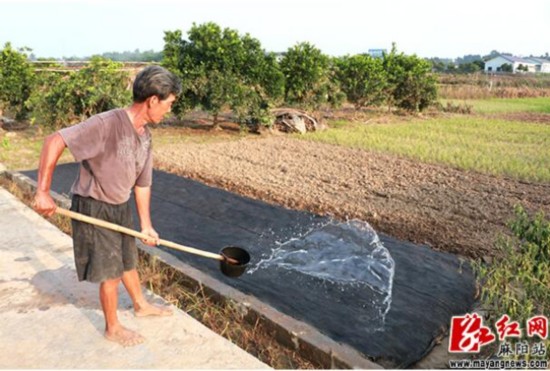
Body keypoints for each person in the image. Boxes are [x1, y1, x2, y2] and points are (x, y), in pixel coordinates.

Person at [33, 65, 182, 347]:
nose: (169, 110)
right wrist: (42, 191)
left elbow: (142, 184)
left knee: (127, 258)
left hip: (118, 204)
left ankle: (140, 305)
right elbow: (54, 140)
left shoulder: (145, 135)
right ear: (153, 100)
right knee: (111, 271)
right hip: (93, 206)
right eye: (169, 103)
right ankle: (112, 327)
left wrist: (146, 225)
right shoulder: (107, 123)